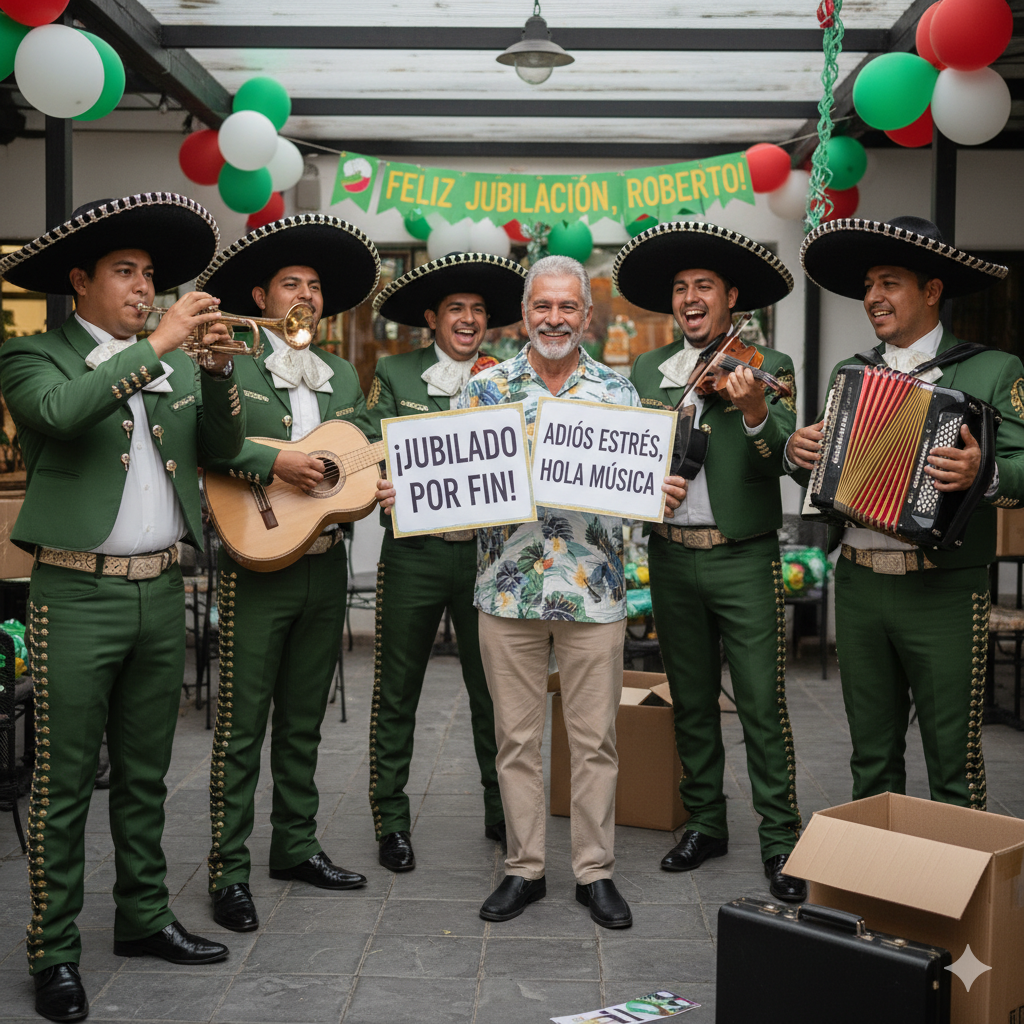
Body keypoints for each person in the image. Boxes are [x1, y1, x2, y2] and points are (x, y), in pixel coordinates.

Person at [379, 255, 683, 929]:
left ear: (586, 315)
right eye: (542, 307)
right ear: (525, 314)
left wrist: (657, 491)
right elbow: (454, 484)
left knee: (596, 740)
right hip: (507, 592)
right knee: (514, 741)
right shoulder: (484, 392)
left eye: (567, 307)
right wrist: (413, 490)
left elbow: (637, 490)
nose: (553, 319)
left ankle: (594, 872)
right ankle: (524, 869)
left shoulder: (618, 393)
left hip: (594, 594)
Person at [0, 193, 246, 1023]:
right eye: (126, 273)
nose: (144, 288)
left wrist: (215, 375)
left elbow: (220, 452)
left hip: (158, 589)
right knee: (63, 783)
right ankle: (54, 950)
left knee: (145, 778)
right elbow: (63, 416)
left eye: (149, 276)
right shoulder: (32, 356)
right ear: (81, 281)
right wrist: (161, 342)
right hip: (74, 592)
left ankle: (142, 919)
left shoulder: (165, 359)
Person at [788, 215, 1023, 811]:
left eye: (889, 283)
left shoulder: (993, 370)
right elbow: (832, 477)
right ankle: (877, 888)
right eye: (869, 285)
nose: (872, 298)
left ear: (932, 291)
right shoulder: (852, 372)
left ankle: (960, 899)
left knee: (955, 764)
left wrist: (982, 473)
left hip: (944, 589)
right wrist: (799, 454)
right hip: (861, 580)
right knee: (870, 759)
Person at [194, 215, 380, 931]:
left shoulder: (336, 375)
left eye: (314, 287)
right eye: (291, 284)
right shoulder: (229, 359)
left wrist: (367, 480)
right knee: (242, 726)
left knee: (303, 723)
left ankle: (295, 846)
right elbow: (212, 445)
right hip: (256, 565)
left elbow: (352, 456)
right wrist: (278, 463)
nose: (306, 294)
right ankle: (228, 870)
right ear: (262, 295)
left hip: (323, 566)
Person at [613, 221, 806, 903]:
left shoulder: (768, 367)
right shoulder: (646, 370)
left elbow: (782, 457)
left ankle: (781, 837)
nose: (690, 298)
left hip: (742, 558)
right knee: (690, 701)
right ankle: (705, 823)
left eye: (703, 287)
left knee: (760, 701)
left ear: (730, 299)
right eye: (680, 289)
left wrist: (754, 411)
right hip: (670, 557)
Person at [366, 252, 527, 872]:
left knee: (494, 694)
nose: (468, 318)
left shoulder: (511, 376)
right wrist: (376, 472)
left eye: (478, 310)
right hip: (414, 555)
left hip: (490, 555)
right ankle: (391, 821)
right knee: (396, 690)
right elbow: (364, 436)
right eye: (456, 309)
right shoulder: (396, 372)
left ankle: (501, 809)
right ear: (431, 318)